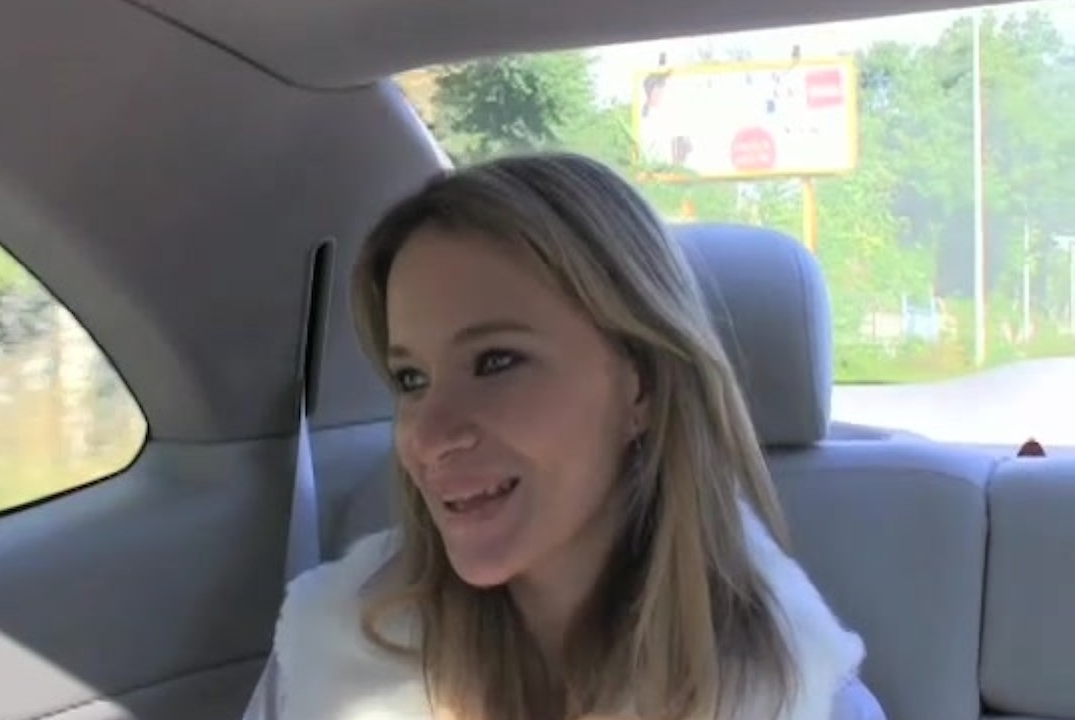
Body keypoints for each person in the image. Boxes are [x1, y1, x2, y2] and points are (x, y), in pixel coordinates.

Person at [242, 152, 885, 720]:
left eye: (496, 362)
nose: (429, 437)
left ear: (642, 387)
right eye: (411, 379)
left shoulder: (803, 702)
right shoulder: (325, 665)